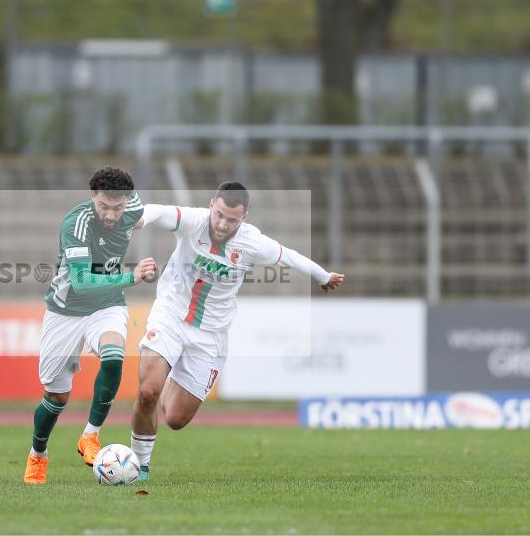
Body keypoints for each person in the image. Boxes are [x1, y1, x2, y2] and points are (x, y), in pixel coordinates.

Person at [129, 181, 344, 481]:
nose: (222, 224)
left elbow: (289, 256)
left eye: (231, 219)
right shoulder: (193, 221)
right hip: (170, 316)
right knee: (147, 391)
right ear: (212, 205)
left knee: (176, 419)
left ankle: (169, 379)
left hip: (210, 336)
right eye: (219, 215)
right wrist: (137, 218)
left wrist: (323, 276)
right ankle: (140, 465)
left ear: (244, 217)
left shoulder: (252, 242)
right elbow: (156, 211)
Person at [23, 167, 157, 484]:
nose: (111, 215)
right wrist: (131, 276)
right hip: (66, 310)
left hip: (107, 304)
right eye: (104, 207)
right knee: (56, 396)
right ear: (92, 197)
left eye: (118, 208)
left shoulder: (132, 206)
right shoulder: (76, 223)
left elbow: (146, 216)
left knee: (113, 357)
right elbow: (81, 282)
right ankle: (37, 454)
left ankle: (90, 435)